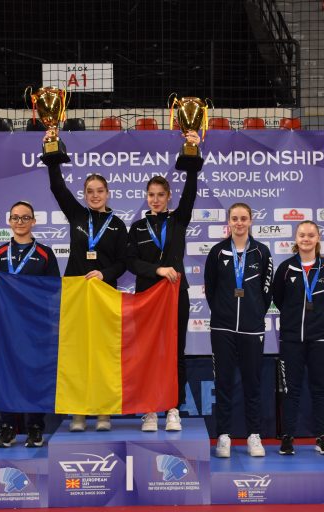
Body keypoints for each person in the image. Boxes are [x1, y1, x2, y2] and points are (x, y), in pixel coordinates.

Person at [43, 128, 128, 432]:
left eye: (99, 191)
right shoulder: (77, 215)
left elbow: (123, 262)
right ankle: (78, 412)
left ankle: (103, 412)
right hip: (76, 293)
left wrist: (104, 273)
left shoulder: (117, 225)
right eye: (90, 190)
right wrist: (52, 151)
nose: (94, 195)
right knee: (76, 354)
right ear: (85, 194)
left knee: (103, 354)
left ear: (107, 194)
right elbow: (57, 187)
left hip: (105, 295)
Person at [126, 130, 201, 432]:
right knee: (147, 352)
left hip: (174, 295)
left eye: (161, 195)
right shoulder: (138, 227)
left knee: (174, 351)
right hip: (147, 295)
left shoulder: (178, 220)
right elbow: (131, 262)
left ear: (169, 197)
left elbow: (192, 189)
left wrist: (193, 150)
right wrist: (156, 270)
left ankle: (172, 407)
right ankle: (149, 410)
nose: (156, 200)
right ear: (146, 197)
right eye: (151, 195)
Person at [0, 200, 61, 448]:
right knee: (7, 374)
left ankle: (35, 427)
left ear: (33, 221)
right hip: (7, 328)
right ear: (9, 221)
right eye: (15, 218)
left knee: (34, 375)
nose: (20, 222)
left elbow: (53, 291)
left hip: (36, 326)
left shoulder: (45, 254)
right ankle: (6, 428)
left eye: (25, 218)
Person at [205, 202, 273, 458]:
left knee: (252, 383)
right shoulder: (218, 251)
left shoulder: (262, 252)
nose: (239, 223)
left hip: (251, 329)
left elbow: (267, 292)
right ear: (229, 221)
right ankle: (224, 436)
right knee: (223, 383)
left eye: (243, 218)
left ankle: (253, 436)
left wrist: (254, 313)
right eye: (235, 218)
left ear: (251, 220)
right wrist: (222, 311)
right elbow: (210, 288)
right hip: (222, 327)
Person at [272, 221, 324, 456]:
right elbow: (279, 300)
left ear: (318, 238)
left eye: (311, 235)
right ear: (296, 238)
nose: (306, 239)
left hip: (320, 339)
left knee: (319, 389)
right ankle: (288, 437)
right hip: (292, 339)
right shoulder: (285, 269)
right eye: (302, 235)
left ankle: (322, 437)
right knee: (292, 390)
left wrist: (316, 319)